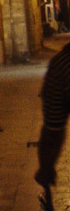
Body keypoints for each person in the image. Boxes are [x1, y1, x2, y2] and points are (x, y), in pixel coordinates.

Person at [35, 40, 70, 189]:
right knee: (54, 132)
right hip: (55, 96)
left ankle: (46, 171)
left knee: (53, 131)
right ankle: (45, 172)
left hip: (54, 93)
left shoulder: (62, 58)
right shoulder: (66, 63)